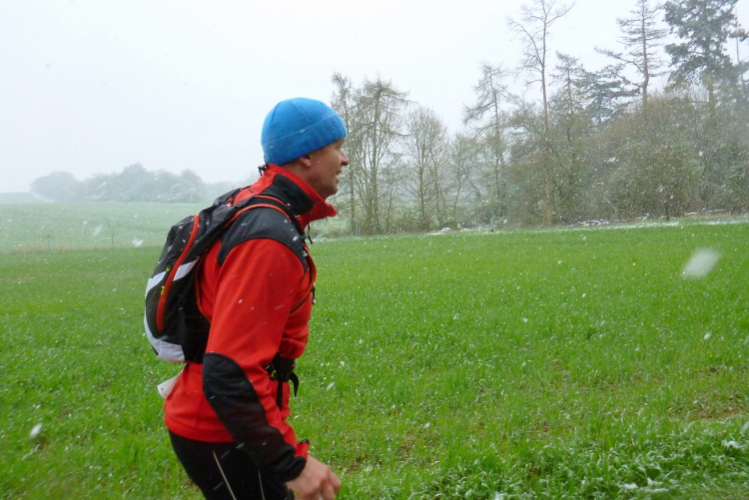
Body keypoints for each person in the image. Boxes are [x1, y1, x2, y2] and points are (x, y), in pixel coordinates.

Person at [163, 98, 348, 500]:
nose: (345, 159)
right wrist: (289, 464)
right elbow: (229, 371)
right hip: (221, 431)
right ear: (307, 155)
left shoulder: (256, 205)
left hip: (228, 424)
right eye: (337, 147)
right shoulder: (267, 235)